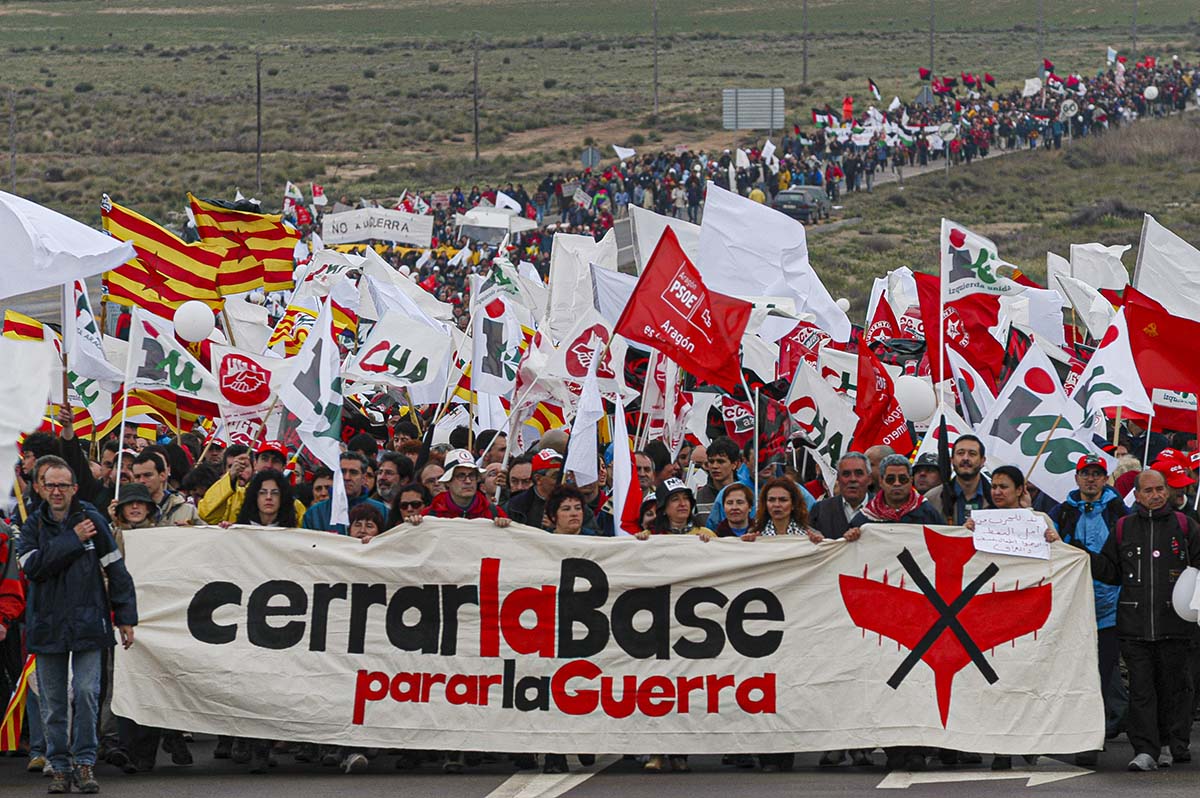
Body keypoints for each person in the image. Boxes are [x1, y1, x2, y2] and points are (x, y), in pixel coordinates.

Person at [1056, 468, 1200, 772]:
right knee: (1142, 691)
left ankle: (1170, 743)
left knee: (1174, 689)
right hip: (1134, 627)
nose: (1155, 495)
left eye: (1159, 489)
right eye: (1148, 490)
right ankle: (1145, 750)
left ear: (1167, 490)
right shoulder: (1124, 527)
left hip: (1176, 626)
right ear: (1136, 495)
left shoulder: (1185, 526)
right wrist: (1081, 554)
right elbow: (1111, 571)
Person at [17, 462, 137, 795]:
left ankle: (84, 762)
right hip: (47, 625)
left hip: (89, 622)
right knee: (54, 703)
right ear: (40, 488)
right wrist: (74, 539)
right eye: (50, 485)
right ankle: (59, 766)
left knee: (86, 694)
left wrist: (126, 617)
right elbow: (34, 568)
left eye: (63, 485)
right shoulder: (32, 526)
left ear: (74, 488)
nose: (57, 491)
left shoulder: (93, 521)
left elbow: (117, 570)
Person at [1052, 453, 1129, 764]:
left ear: (1105, 479)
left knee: (1101, 673)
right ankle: (1081, 734)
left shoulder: (1118, 512)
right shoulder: (1062, 512)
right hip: (1072, 607)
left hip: (1110, 608)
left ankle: (1093, 737)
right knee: (1075, 674)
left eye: (1097, 474)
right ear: (1077, 478)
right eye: (1086, 473)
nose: (1091, 479)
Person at [198, 441, 304, 525]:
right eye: (264, 459)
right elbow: (205, 513)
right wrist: (230, 477)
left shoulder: (295, 506)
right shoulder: (235, 496)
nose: (269, 465)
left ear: (283, 468)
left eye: (276, 461)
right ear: (255, 463)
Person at [406, 449, 510, 526]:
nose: (468, 481)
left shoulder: (494, 513)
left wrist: (504, 525)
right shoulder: (430, 514)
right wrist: (414, 524)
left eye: (471, 475)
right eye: (461, 476)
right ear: (448, 482)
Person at [848, 454, 946, 528]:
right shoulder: (865, 518)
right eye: (890, 479)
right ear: (881, 481)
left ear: (910, 480)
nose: (897, 483)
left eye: (903, 479)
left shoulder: (928, 513)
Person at [303, 452, 389, 534]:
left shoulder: (381, 511)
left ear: (363, 478)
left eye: (353, 472)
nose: (347, 477)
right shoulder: (315, 513)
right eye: (342, 472)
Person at [924, 435, 994, 524]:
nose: (965, 458)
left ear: (982, 461)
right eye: (960, 453)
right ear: (952, 460)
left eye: (972, 454)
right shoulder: (932, 499)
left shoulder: (997, 498)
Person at [809, 452, 872, 541]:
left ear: (869, 479)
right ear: (838, 479)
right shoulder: (820, 510)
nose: (853, 479)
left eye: (859, 473)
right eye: (846, 474)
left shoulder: (882, 510)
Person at [129, 451, 199, 525]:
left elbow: (204, 531)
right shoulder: (126, 513)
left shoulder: (188, 511)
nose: (142, 481)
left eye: (147, 475)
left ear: (162, 476)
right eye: (137, 477)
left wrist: (191, 529)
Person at [744, 478, 822, 542]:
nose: (777, 505)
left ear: (793, 504)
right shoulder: (754, 535)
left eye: (783, 500)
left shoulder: (811, 535)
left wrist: (818, 543)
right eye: (771, 500)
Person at [638, 478, 709, 539]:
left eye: (686, 498)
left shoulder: (705, 534)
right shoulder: (650, 536)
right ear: (663, 508)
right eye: (675, 499)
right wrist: (640, 541)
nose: (683, 504)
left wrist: (707, 543)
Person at [234, 470, 299, 528]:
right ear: (255, 497)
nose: (268, 497)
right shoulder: (240, 529)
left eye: (275, 493)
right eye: (263, 493)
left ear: (282, 497)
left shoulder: (293, 533)